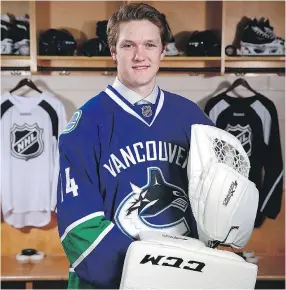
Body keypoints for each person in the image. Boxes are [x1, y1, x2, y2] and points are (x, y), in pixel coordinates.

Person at [56, 2, 214, 289]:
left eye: (150, 44)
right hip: (113, 282)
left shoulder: (193, 118)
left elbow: (218, 201)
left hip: (182, 279)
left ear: (163, 50)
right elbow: (78, 228)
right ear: (113, 51)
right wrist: (144, 272)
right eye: (128, 45)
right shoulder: (86, 125)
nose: (140, 55)